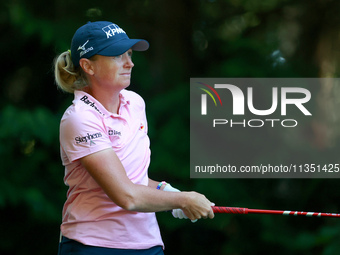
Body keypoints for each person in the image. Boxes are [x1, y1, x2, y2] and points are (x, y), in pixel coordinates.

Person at [54, 21, 214, 255]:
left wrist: (166, 189)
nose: (130, 62)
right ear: (88, 66)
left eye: (128, 54)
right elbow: (126, 195)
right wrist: (183, 200)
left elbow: (133, 179)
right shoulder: (79, 118)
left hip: (147, 244)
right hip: (93, 245)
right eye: (117, 56)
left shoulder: (135, 103)